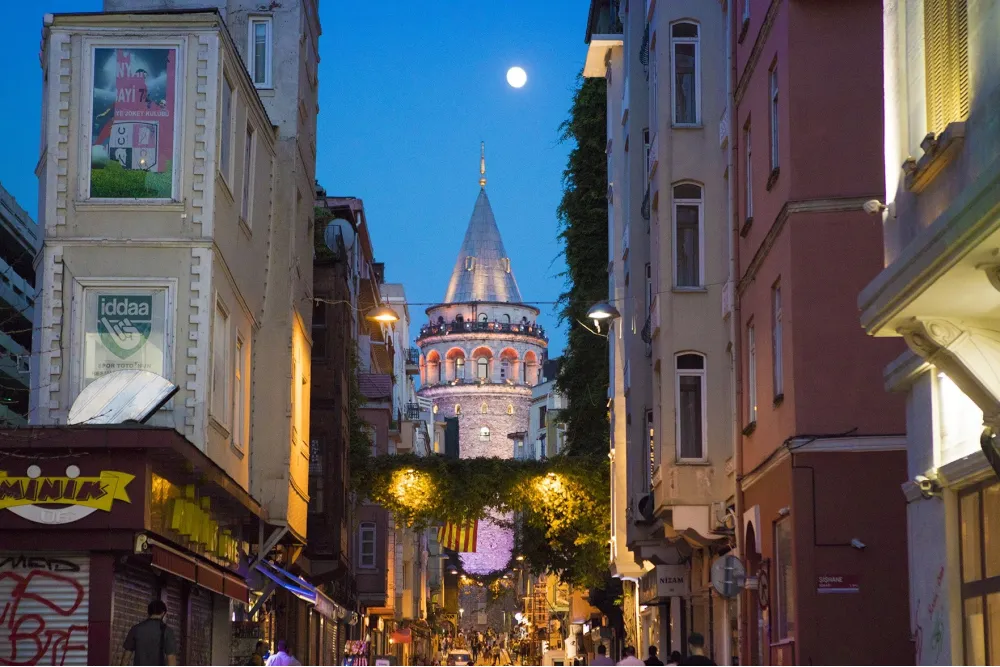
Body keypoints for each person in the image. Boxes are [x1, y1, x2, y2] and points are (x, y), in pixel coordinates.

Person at [120, 600, 178, 666]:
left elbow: (126, 658)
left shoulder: (136, 629)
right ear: (163, 613)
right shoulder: (167, 631)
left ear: (148, 612)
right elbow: (171, 658)